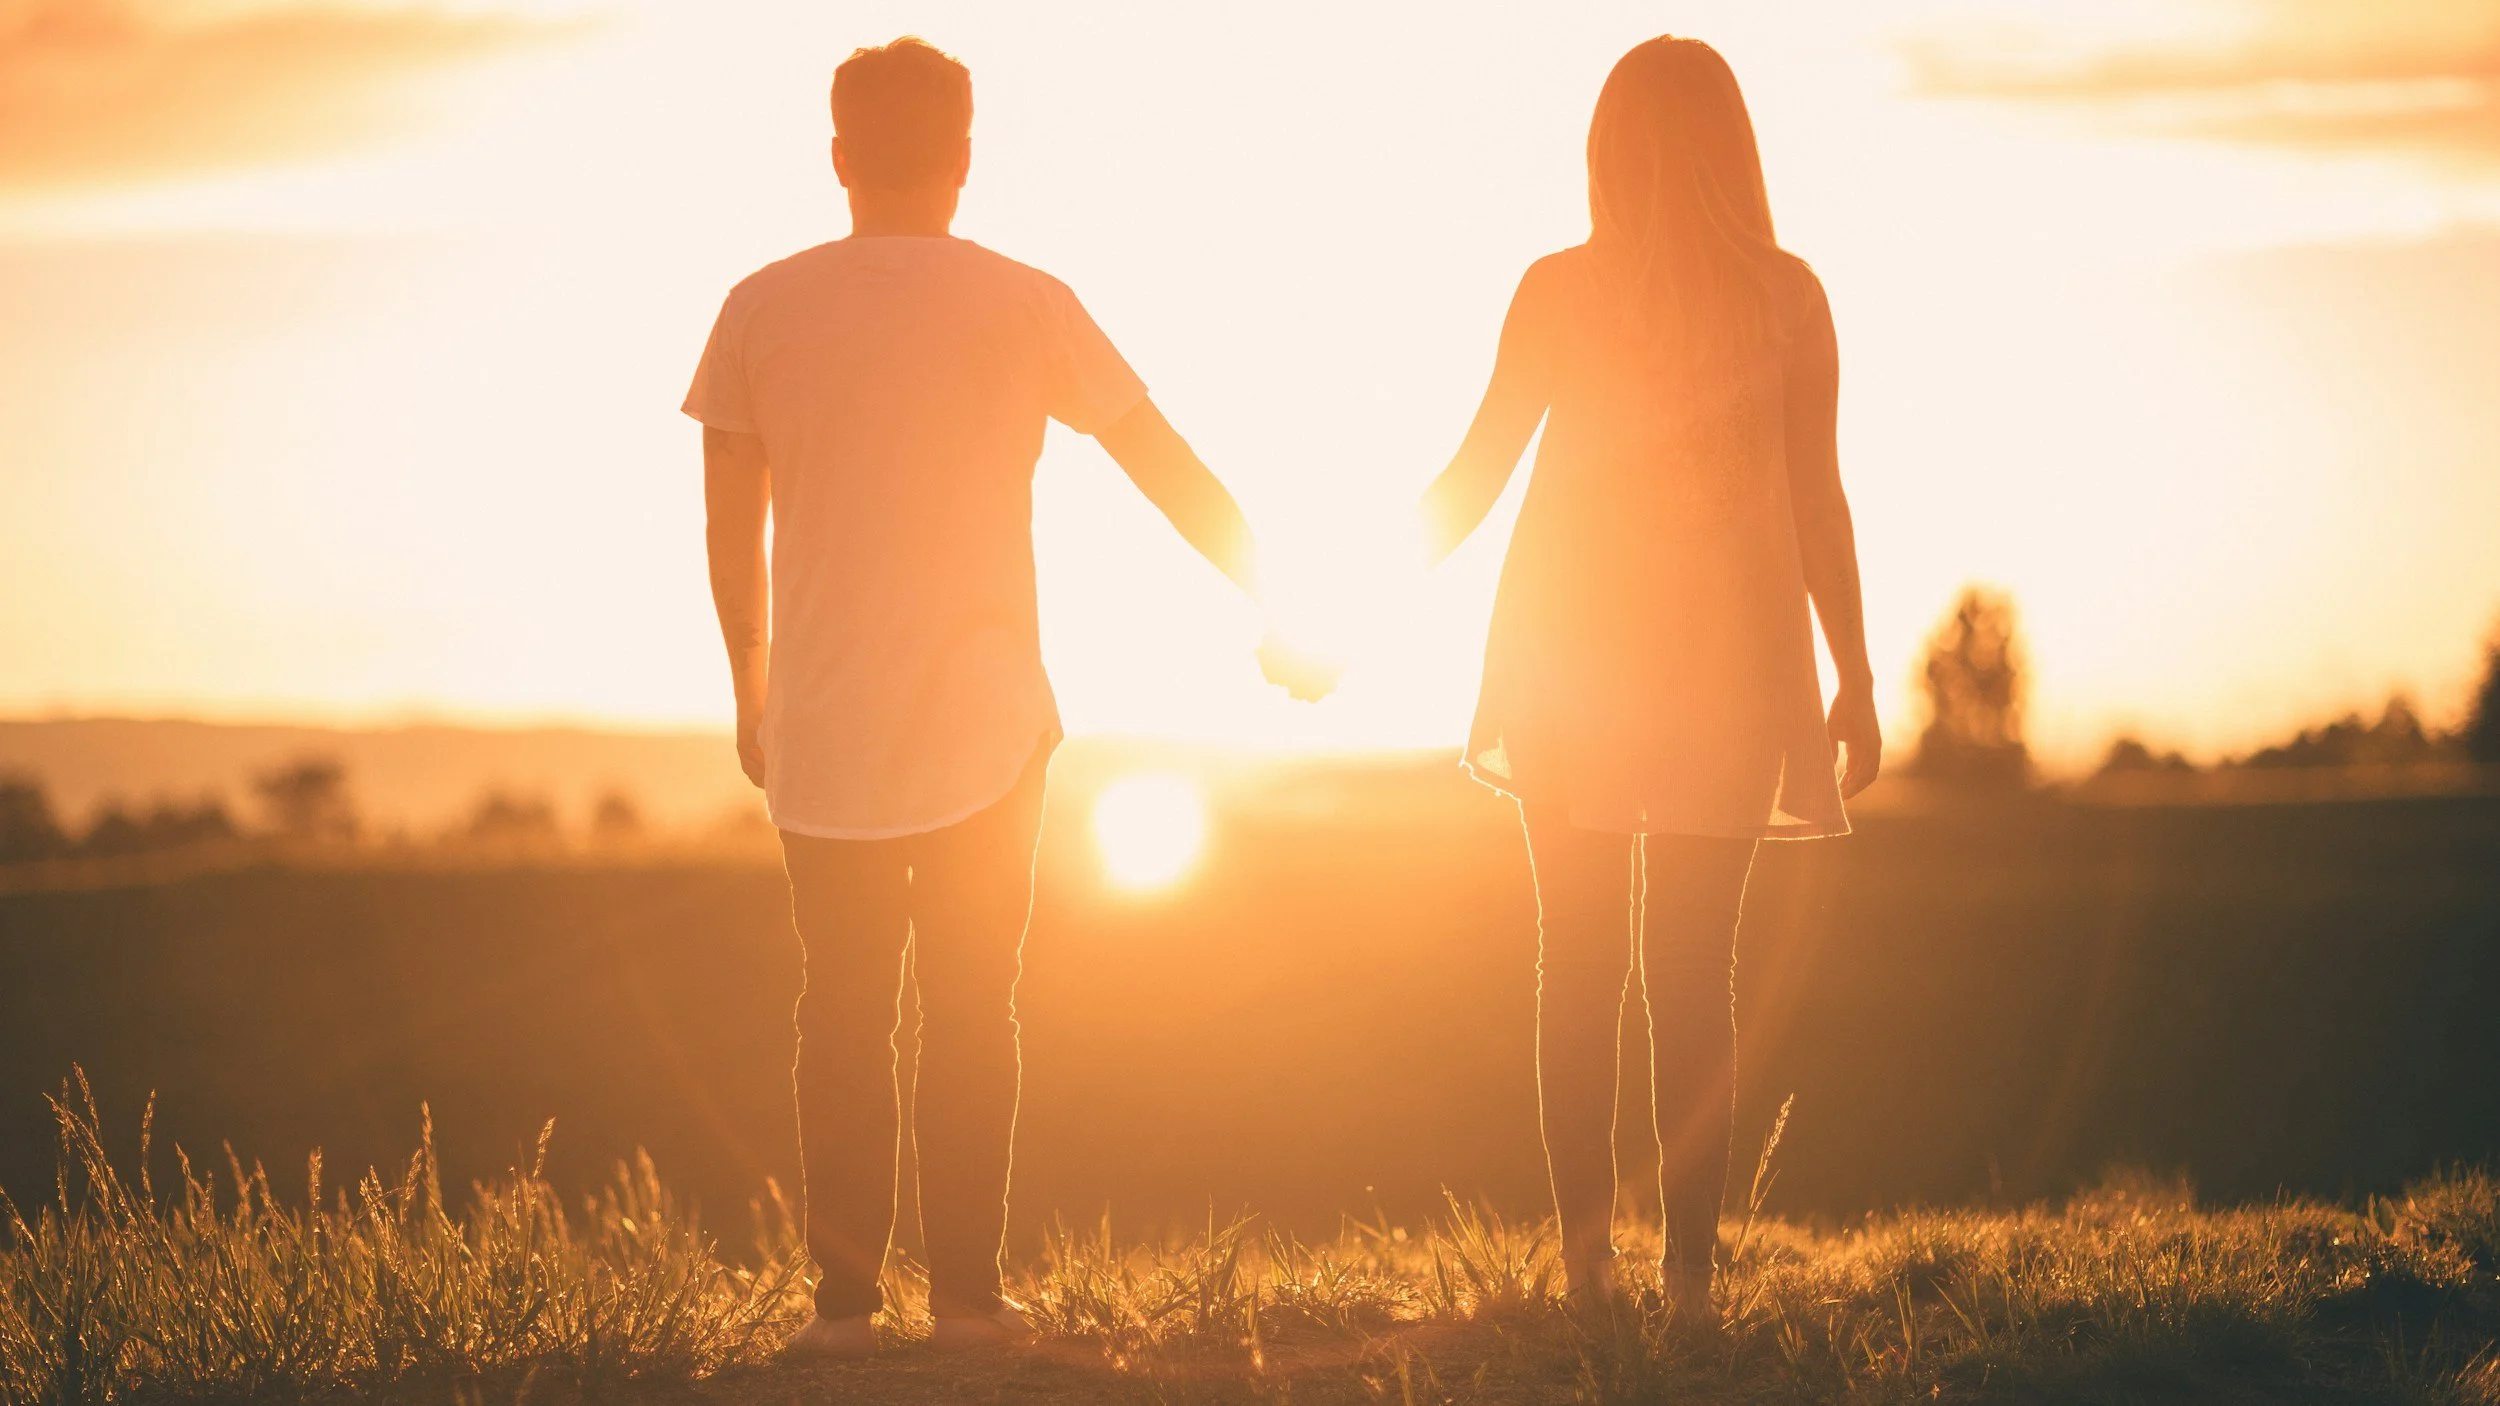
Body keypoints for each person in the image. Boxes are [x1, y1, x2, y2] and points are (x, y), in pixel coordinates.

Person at [685, 36, 1270, 1358]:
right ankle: (966, 1302)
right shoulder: (1026, 300)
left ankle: (841, 1315)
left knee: (839, 1007)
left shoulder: (760, 307)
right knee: (969, 1006)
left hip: (822, 720)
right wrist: (1276, 595)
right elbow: (1156, 455)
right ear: (963, 158)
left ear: (837, 158)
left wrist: (749, 684)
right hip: (990, 725)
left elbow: (730, 526)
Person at [1415, 36, 1881, 1316]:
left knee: (1577, 963)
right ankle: (1685, 1284)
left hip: (1571, 658)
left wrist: (1340, 607)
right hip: (1728, 666)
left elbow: (1474, 472)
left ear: (1605, 149)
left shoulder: (1562, 288)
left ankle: (1587, 1266)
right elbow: (1817, 501)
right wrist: (1854, 673)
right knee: (1693, 973)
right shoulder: (1787, 294)